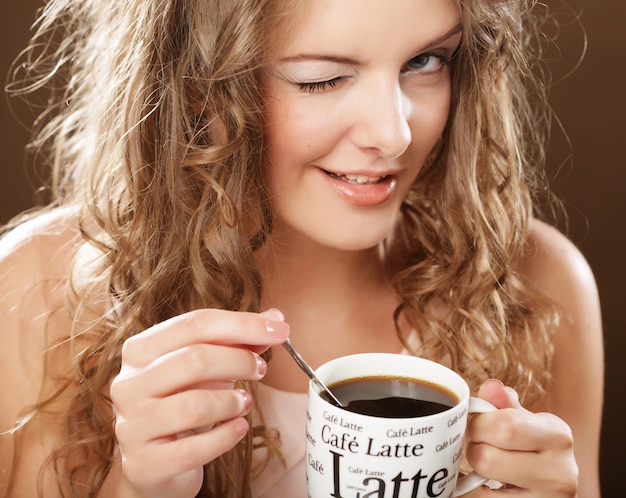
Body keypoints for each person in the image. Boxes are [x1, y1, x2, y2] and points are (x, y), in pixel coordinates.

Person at [0, 0, 603, 497]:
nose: (393, 133)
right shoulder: (34, 295)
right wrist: (135, 490)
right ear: (196, 85)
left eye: (426, 60)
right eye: (322, 77)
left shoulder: (535, 283)